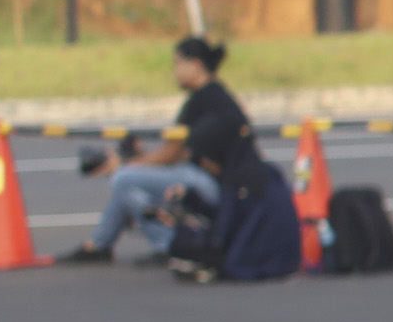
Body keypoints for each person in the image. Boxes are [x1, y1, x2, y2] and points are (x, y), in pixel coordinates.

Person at [60, 36, 259, 263]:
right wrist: (139, 159)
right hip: (217, 182)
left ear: (195, 65)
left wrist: (124, 164)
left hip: (218, 186)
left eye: (177, 64)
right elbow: (178, 154)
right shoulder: (214, 95)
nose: (174, 72)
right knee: (127, 186)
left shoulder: (203, 99)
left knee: (123, 179)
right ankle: (98, 245)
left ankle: (167, 245)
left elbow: (172, 154)